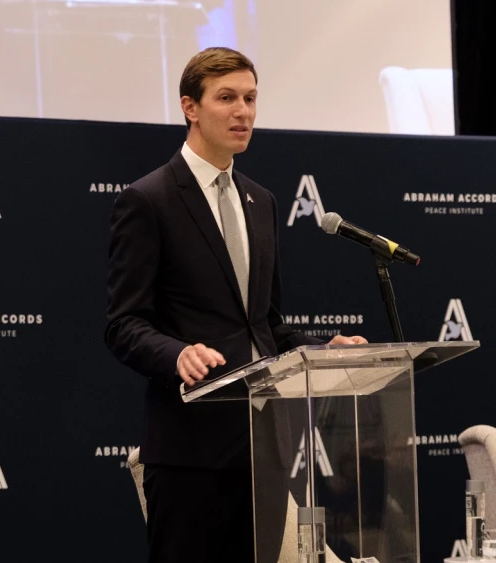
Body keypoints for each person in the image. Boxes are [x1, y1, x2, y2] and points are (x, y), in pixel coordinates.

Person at [105, 47, 367, 563]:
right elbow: (123, 323)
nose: (243, 112)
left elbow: (263, 326)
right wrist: (176, 354)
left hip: (263, 450)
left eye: (250, 98)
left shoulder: (261, 201)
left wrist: (320, 350)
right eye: (226, 98)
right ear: (190, 107)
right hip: (189, 454)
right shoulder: (149, 199)